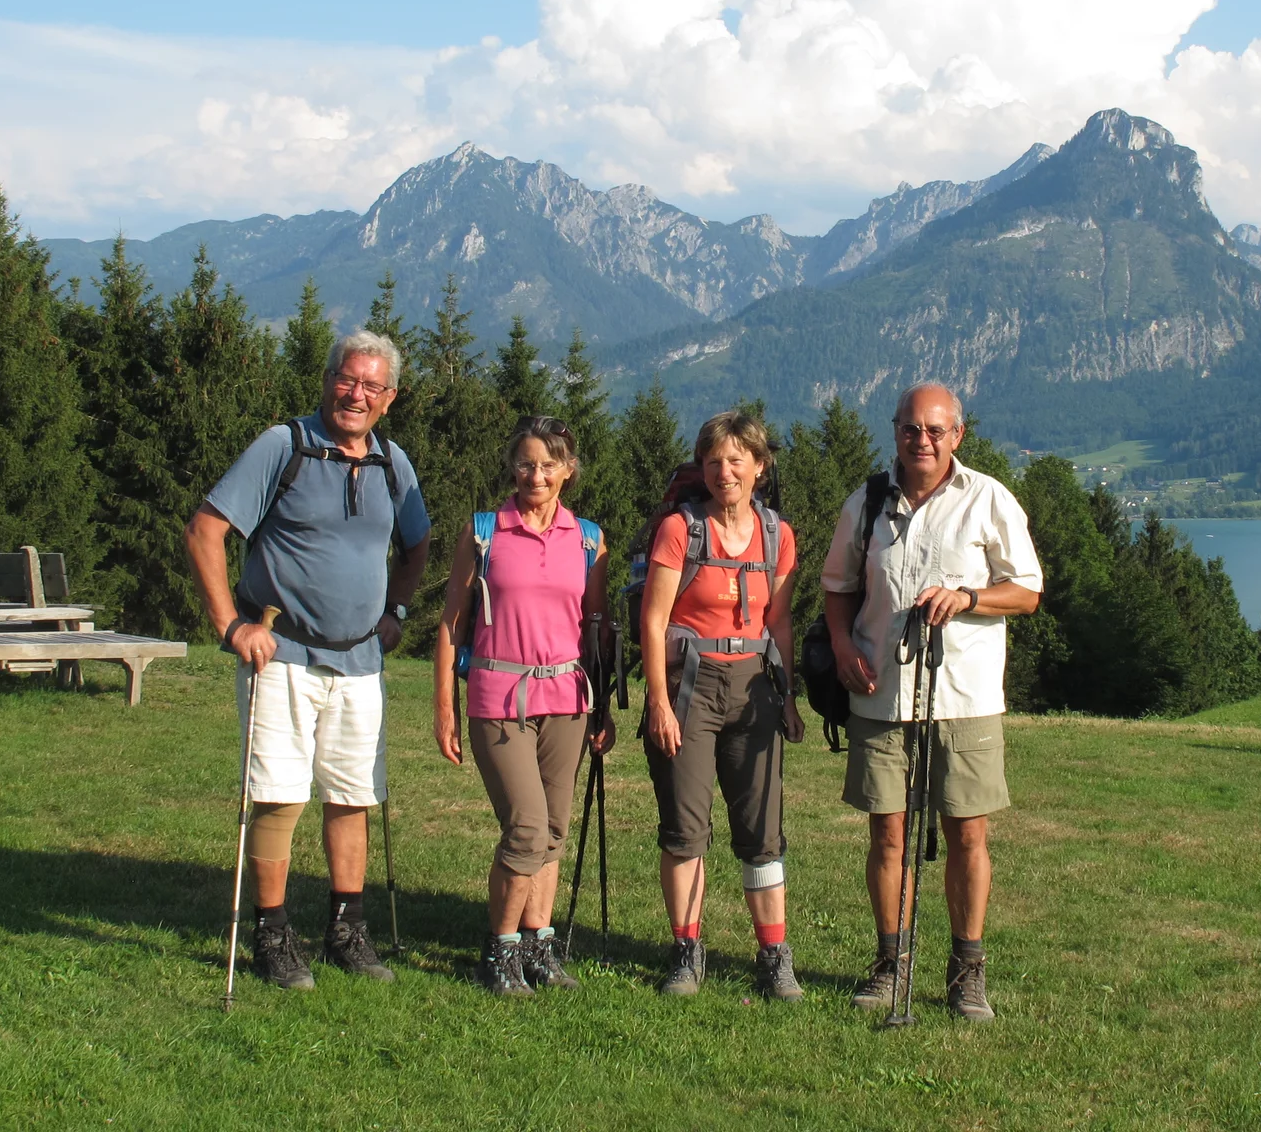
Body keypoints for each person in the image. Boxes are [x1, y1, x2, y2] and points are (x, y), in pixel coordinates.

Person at [185, 330, 431, 991]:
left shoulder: (391, 462)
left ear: (390, 398)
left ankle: (347, 933)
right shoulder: (282, 446)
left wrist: (396, 616)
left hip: (359, 662)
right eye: (346, 380)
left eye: (371, 387)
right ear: (326, 381)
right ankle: (271, 935)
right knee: (278, 796)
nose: (356, 395)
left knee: (352, 797)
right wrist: (230, 624)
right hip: (282, 653)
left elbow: (418, 548)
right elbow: (206, 529)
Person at [821, 382, 1041, 1021]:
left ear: (958, 435)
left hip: (965, 697)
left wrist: (969, 597)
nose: (923, 440)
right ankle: (891, 964)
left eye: (936, 430)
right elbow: (836, 587)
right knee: (886, 832)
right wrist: (840, 647)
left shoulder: (988, 498)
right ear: (895, 431)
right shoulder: (865, 503)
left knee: (968, 833)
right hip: (881, 694)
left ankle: (966, 971)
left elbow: (1026, 591)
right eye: (911, 429)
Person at [432, 415, 614, 996]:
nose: (537, 474)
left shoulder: (588, 539)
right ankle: (501, 951)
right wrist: (444, 707)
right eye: (526, 463)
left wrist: (603, 705)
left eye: (549, 464)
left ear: (569, 470)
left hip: (568, 697)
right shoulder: (485, 532)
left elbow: (596, 627)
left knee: (553, 830)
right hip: (498, 695)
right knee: (528, 827)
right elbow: (451, 624)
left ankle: (538, 944)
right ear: (512, 467)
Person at [639, 409, 805, 1000]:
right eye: (713, 460)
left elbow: (779, 622)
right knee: (686, 828)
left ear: (759, 466)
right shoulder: (681, 531)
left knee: (762, 831)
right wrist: (657, 702)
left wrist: (788, 697)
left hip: (756, 687)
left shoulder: (777, 536)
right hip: (690, 686)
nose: (724, 470)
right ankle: (686, 950)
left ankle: (773, 955)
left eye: (737, 459)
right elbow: (654, 621)